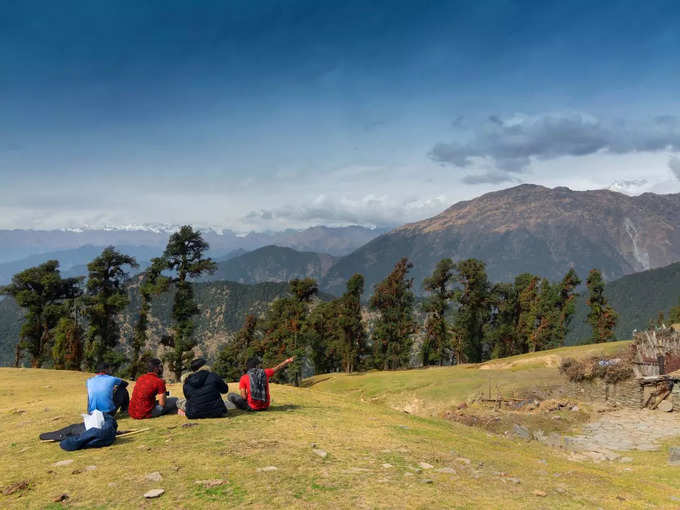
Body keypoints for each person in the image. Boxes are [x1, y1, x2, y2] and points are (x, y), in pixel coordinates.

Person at [228, 356, 294, 411]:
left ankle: (238, 406)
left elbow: (244, 397)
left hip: (252, 407)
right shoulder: (265, 373)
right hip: (265, 406)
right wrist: (287, 361)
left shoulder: (244, 377)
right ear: (256, 366)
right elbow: (278, 367)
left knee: (230, 395)